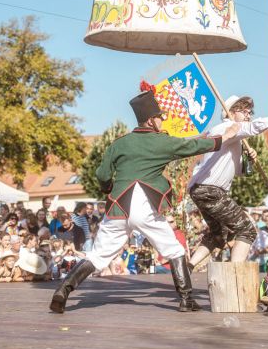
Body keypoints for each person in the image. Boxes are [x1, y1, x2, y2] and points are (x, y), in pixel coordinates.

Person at [49, 89, 239, 314]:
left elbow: (102, 174)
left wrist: (109, 189)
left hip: (118, 206)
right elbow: (191, 147)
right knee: (174, 250)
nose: (162, 121)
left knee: (98, 256)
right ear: (150, 120)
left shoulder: (119, 143)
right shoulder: (161, 142)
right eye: (159, 117)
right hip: (145, 206)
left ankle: (63, 291)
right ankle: (186, 299)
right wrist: (224, 138)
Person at [188, 95, 268, 267]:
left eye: (250, 111)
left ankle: (188, 267)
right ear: (230, 113)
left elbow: (239, 172)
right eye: (243, 110)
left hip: (201, 189)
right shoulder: (227, 127)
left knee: (218, 235)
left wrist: (248, 160)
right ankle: (235, 273)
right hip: (210, 190)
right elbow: (253, 127)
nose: (248, 115)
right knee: (247, 230)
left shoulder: (233, 138)